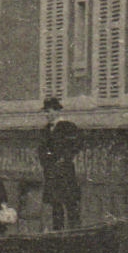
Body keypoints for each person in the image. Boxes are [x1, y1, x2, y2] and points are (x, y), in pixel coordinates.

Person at [37, 97, 82, 231]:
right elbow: (41, 150)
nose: (47, 115)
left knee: (70, 204)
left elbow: (76, 146)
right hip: (51, 172)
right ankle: (58, 233)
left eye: (49, 111)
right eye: (45, 112)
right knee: (55, 205)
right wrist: (46, 162)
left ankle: (74, 232)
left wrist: (63, 159)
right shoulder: (45, 130)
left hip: (64, 172)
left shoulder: (69, 127)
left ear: (57, 111)